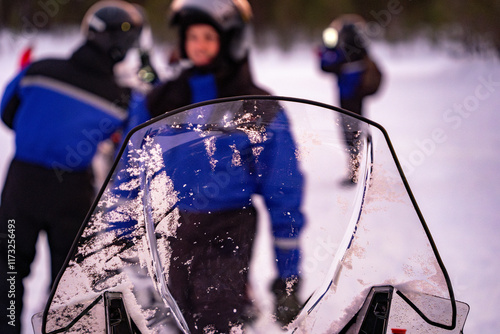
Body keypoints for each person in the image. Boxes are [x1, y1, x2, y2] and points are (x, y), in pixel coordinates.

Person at [128, 0, 305, 332]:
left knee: (214, 317)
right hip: (174, 224)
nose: (199, 45)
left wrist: (289, 274)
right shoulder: (161, 100)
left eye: (209, 37)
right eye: (192, 37)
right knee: (174, 315)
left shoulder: (257, 105)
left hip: (231, 224)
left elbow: (284, 188)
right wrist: (121, 240)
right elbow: (129, 170)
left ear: (231, 41)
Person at [0, 1, 144, 332]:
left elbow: (7, 114)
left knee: (8, 270)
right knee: (67, 286)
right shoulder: (123, 97)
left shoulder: (39, 70)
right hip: (73, 193)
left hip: (22, 184)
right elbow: (129, 150)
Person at [319, 14, 383, 184]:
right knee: (357, 131)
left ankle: (356, 173)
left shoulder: (344, 51)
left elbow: (326, 66)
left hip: (347, 97)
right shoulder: (361, 51)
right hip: (356, 95)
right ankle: (362, 171)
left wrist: (325, 50)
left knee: (350, 134)